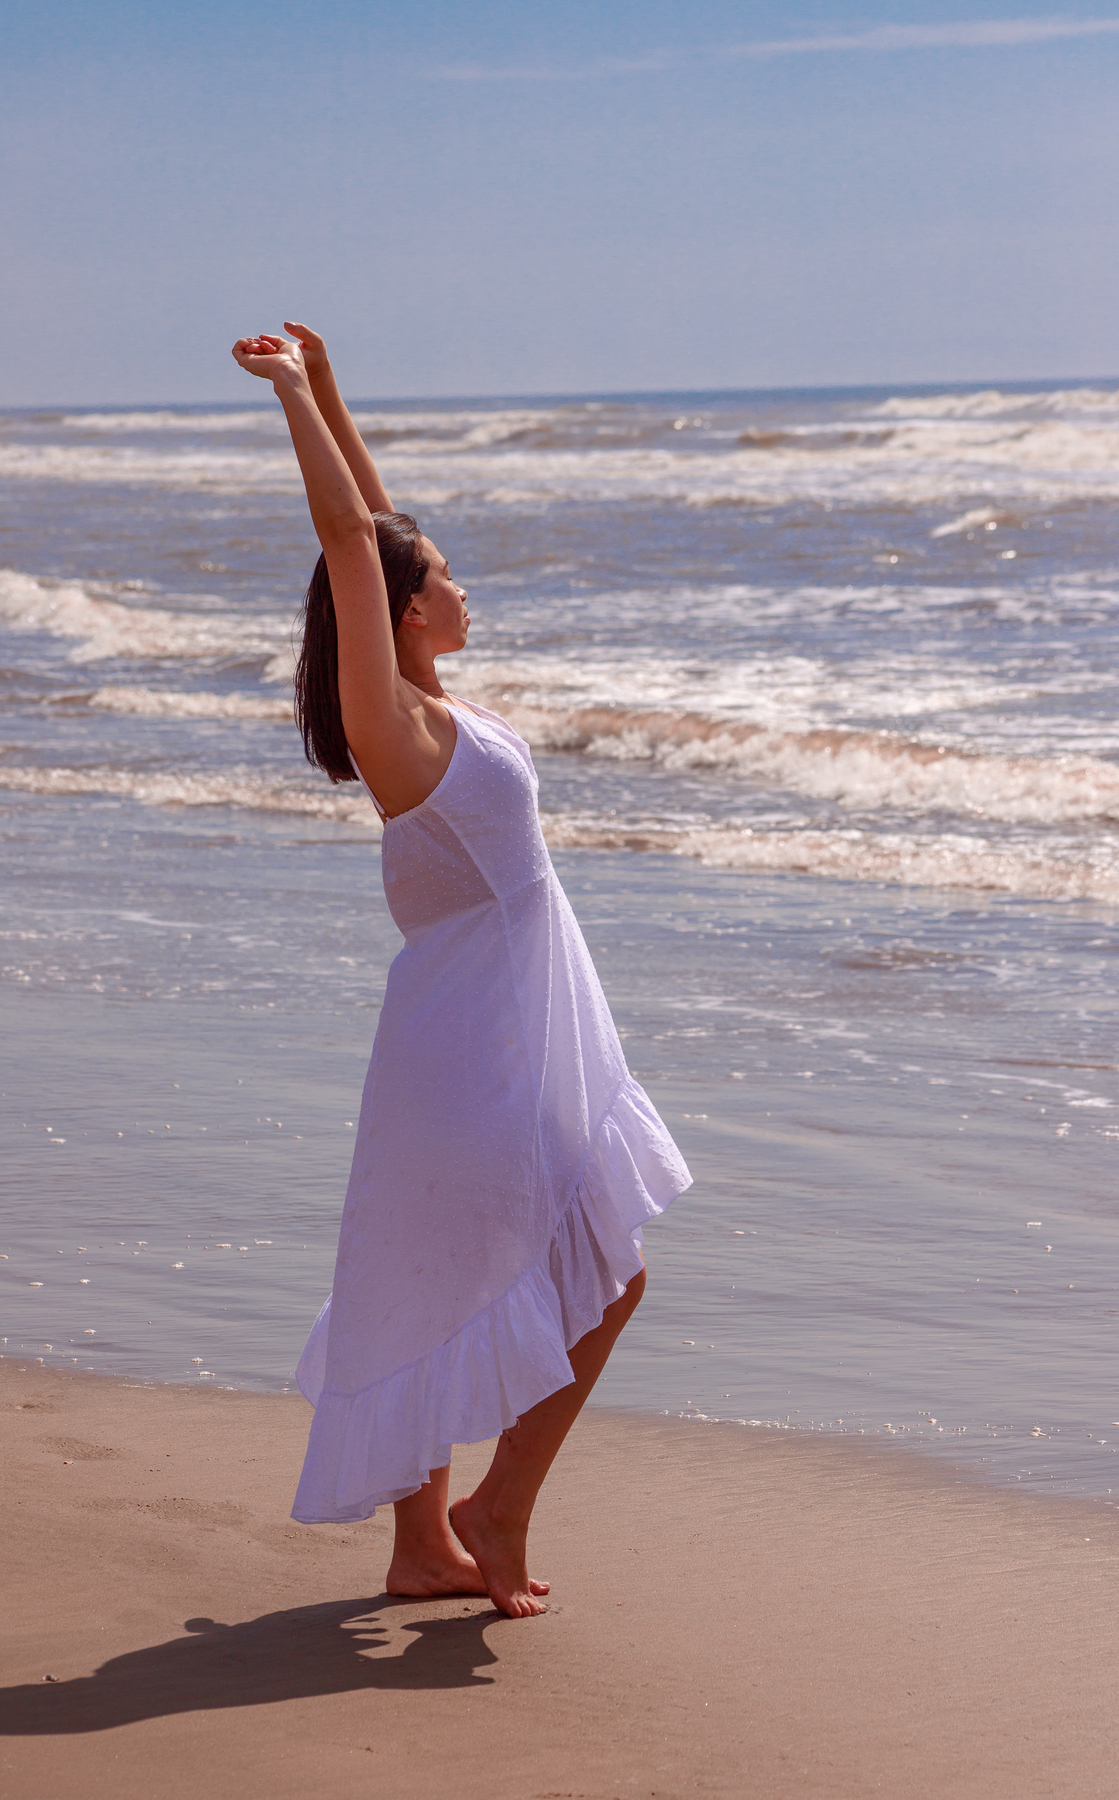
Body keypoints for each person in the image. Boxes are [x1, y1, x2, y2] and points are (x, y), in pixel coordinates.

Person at [231, 325, 691, 1618]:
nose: (464, 585)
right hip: (476, 1045)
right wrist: (283, 402)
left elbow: (371, 528)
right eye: (449, 573)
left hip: (507, 1021)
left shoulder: (438, 702)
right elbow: (349, 546)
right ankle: (493, 1508)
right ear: (412, 609)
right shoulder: (398, 728)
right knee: (584, 1264)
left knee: (460, 1276)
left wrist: (327, 383)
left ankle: (424, 1544)